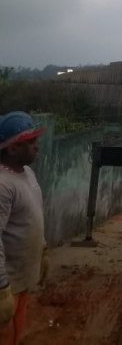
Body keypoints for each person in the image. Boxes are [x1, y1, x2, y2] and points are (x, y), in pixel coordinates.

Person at [0, 112, 48, 345]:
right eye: (30, 143)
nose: (37, 147)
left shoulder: (27, 173)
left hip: (22, 275)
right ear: (12, 149)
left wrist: (43, 250)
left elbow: (34, 214)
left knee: (18, 323)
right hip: (7, 279)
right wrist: (1, 287)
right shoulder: (2, 185)